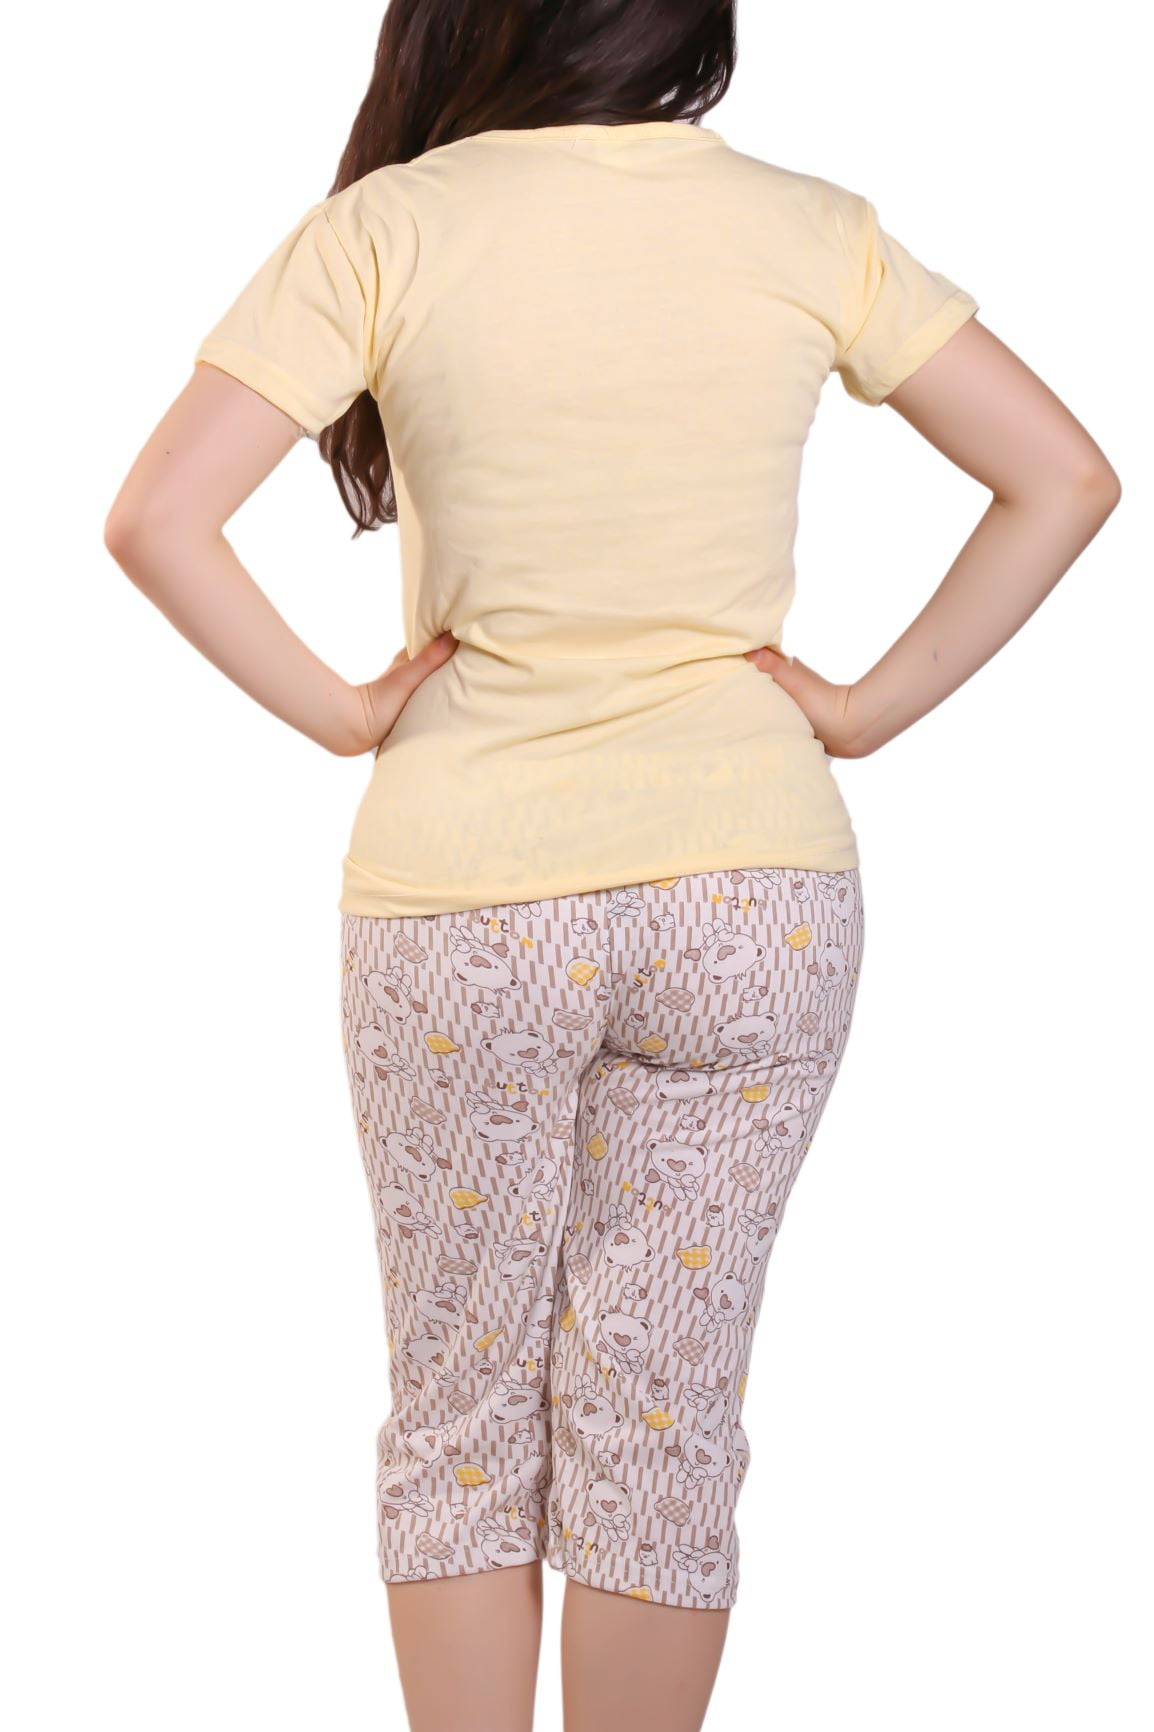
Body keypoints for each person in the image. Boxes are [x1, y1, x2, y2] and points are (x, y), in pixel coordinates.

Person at [102, 3, 1121, 1728]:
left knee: (460, 1410)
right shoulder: (803, 226)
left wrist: (347, 715)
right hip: (751, 894)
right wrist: (860, 712)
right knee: (666, 1412)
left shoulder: (389, 228)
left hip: (465, 903)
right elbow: (1064, 476)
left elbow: (155, 518)